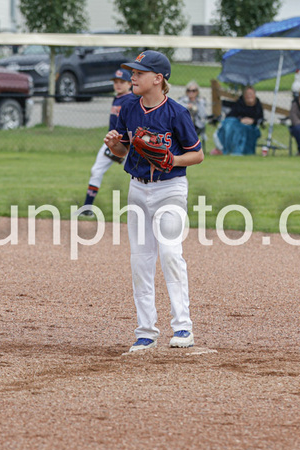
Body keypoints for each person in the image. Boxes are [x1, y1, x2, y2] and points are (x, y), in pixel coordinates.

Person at [104, 50, 204, 353]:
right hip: (137, 189)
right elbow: (124, 153)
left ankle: (183, 327)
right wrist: (115, 146)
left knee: (171, 253)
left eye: (139, 73)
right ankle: (146, 331)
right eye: (132, 72)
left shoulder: (176, 112)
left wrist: (172, 158)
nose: (132, 77)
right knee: (140, 260)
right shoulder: (129, 108)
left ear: (158, 79)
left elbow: (196, 154)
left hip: (170, 189)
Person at [81, 68, 135, 216]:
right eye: (115, 82)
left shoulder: (131, 100)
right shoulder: (118, 98)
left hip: (127, 145)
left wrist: (128, 146)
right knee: (96, 171)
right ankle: (87, 208)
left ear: (130, 84)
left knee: (137, 176)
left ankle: (143, 208)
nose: (118, 85)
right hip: (110, 142)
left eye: (122, 82)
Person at [211, 85, 264, 156]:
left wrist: (252, 121)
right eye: (247, 94)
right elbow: (232, 115)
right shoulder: (240, 103)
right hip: (237, 124)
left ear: (254, 95)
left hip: (251, 127)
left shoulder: (258, 105)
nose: (249, 96)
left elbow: (260, 118)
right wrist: (241, 119)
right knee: (230, 124)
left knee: (243, 130)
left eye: (251, 94)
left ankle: (238, 151)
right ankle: (227, 149)